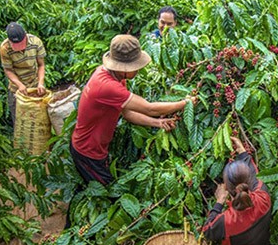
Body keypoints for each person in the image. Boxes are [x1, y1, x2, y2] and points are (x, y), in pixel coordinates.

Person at [70, 34, 195, 189]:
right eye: (136, 66)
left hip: (97, 148)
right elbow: (149, 108)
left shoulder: (114, 77)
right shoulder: (108, 86)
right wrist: (185, 103)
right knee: (106, 193)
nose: (139, 69)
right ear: (124, 68)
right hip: (87, 152)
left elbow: (127, 113)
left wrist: (158, 123)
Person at [0, 22, 46, 125]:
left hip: (34, 84)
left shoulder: (36, 42)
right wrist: (19, 85)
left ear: (25, 36)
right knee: (20, 122)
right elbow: (8, 70)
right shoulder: (5, 48)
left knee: (39, 120)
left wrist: (40, 83)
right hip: (16, 89)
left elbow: (41, 65)